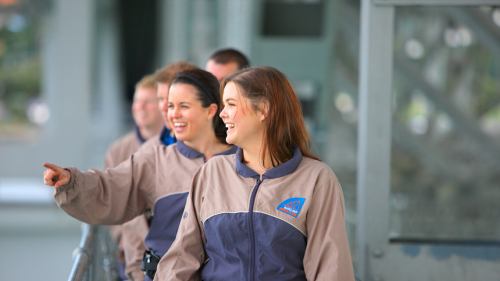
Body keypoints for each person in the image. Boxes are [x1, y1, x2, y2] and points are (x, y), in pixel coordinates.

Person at [155, 66, 355, 280]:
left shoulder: (316, 179)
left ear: (263, 109)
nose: (222, 114)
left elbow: (331, 269)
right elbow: (181, 258)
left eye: (231, 104)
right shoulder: (212, 172)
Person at [42, 68, 237, 281]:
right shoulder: (154, 160)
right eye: (171, 106)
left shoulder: (243, 161)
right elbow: (109, 185)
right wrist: (72, 181)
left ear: (210, 111)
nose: (173, 114)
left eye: (184, 106)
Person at [120, 61, 198, 281]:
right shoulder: (149, 151)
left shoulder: (220, 154)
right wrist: (137, 274)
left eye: (172, 100)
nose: (166, 107)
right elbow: (132, 223)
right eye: (162, 99)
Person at [103, 74, 163, 280]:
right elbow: (109, 201)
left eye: (148, 101)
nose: (140, 107)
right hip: (129, 252)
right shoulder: (118, 150)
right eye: (137, 101)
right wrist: (121, 237)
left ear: (164, 105)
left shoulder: (177, 146)